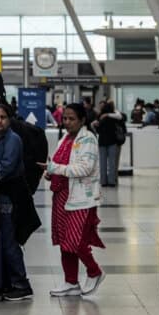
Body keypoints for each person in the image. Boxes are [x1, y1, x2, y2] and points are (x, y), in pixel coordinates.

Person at [42, 104, 105, 297]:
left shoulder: (88, 139)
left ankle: (94, 271)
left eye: (72, 119)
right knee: (64, 242)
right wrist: (49, 172)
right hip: (62, 196)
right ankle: (71, 282)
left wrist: (55, 169)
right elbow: (58, 163)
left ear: (82, 120)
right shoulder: (65, 138)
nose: (67, 122)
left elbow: (83, 169)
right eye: (65, 119)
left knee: (76, 241)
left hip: (81, 199)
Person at [0, 103, 33, 301]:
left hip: (11, 197)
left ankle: (21, 283)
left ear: (9, 119)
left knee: (9, 242)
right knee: (2, 240)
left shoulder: (13, 139)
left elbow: (5, 167)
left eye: (3, 117)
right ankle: (8, 281)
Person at [93, 100, 125, 188]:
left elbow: (98, 130)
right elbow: (121, 118)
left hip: (102, 141)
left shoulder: (100, 116)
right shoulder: (114, 117)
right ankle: (112, 182)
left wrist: (95, 126)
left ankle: (103, 181)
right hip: (113, 142)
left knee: (102, 163)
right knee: (112, 163)